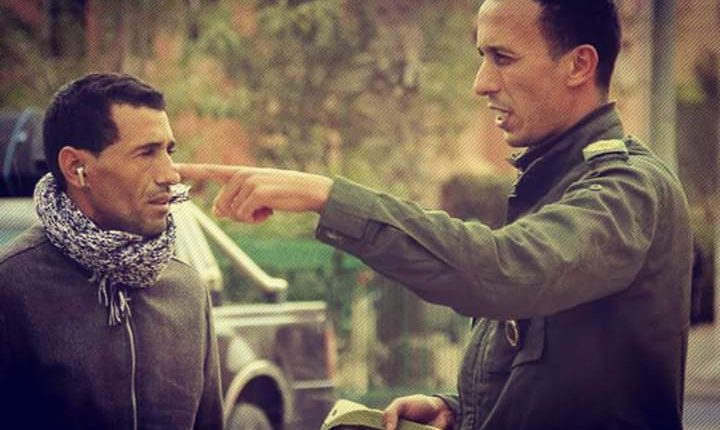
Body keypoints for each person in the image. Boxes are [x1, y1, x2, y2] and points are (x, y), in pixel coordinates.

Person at [176, 0, 693, 428]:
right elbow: (563, 380)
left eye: (503, 57)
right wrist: (460, 409)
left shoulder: (629, 189)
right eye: (482, 56)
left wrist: (327, 197)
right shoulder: (553, 184)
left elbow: (502, 272)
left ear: (579, 65)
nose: (481, 83)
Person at [0, 73, 223, 429]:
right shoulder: (11, 287)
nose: (171, 175)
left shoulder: (186, 290)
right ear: (76, 168)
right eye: (146, 153)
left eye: (169, 151)